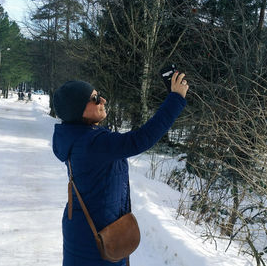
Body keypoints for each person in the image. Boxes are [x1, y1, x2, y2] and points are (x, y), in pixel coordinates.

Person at [52, 72, 189, 266]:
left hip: (89, 230)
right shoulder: (92, 143)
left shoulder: (79, 137)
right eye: (95, 98)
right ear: (78, 110)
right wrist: (175, 99)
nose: (103, 100)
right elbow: (140, 139)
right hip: (97, 239)